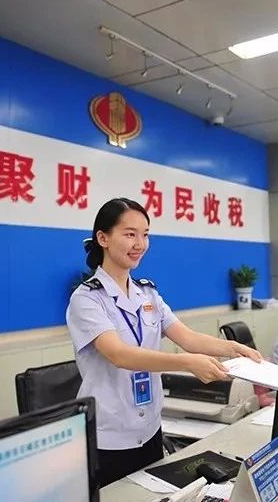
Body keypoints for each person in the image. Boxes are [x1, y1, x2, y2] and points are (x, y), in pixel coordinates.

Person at [66, 198, 262, 486]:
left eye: (145, 234)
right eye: (130, 234)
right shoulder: (86, 299)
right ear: (103, 238)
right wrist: (187, 363)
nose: (140, 244)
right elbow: (119, 355)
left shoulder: (147, 294)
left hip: (150, 429)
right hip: (109, 437)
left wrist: (234, 348)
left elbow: (187, 337)